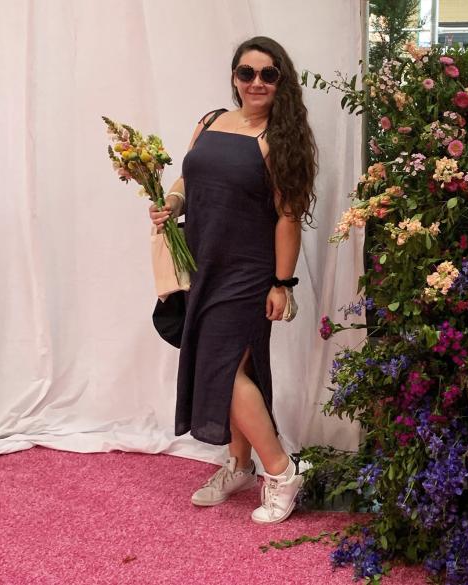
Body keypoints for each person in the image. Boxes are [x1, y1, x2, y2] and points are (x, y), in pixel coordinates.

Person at [149, 36, 317, 524]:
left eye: (268, 74)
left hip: (247, 271)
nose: (256, 83)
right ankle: (240, 464)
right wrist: (174, 204)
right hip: (203, 263)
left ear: (281, 81)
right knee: (232, 368)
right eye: (247, 73)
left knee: (221, 370)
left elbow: (288, 219)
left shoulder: (281, 140)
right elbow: (187, 178)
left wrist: (282, 284)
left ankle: (283, 471)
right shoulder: (209, 122)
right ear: (234, 78)